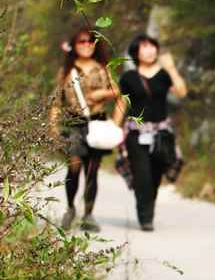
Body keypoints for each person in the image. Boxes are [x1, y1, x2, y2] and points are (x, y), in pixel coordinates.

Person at [113, 34, 187, 232]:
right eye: (145, 47)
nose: (150, 50)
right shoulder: (128, 77)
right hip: (136, 134)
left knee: (155, 176)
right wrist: (114, 128)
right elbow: (122, 102)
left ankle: (147, 209)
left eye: (152, 46)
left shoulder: (164, 75)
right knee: (142, 175)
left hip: (161, 134)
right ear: (136, 52)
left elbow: (181, 92)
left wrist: (171, 68)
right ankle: (145, 217)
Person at [50, 28, 120, 232]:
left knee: (92, 170)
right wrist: (53, 127)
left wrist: (101, 94)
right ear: (74, 44)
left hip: (97, 123)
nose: (87, 45)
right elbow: (56, 101)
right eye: (82, 41)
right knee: (74, 166)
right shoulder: (67, 70)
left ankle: (88, 214)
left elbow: (117, 92)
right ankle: (71, 208)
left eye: (91, 41)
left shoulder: (103, 68)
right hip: (74, 124)